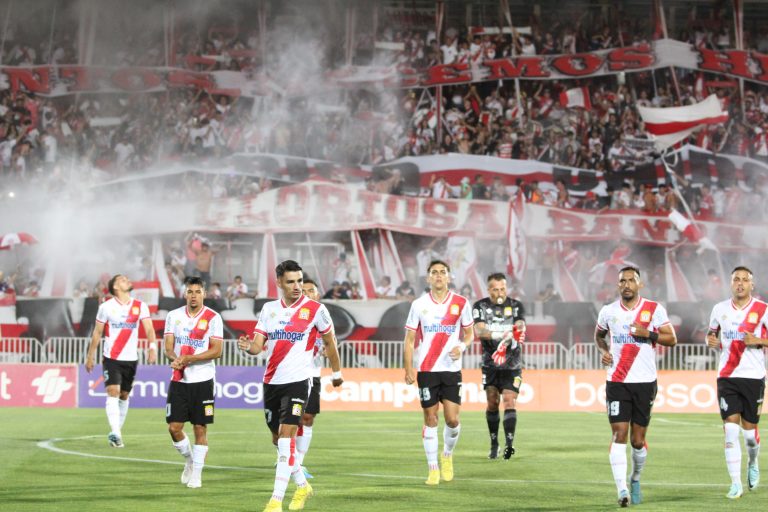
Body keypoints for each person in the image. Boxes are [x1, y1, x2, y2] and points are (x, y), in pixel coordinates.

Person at [238, 260, 343, 512]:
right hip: (271, 381)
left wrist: (337, 371)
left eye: (299, 281)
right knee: (277, 438)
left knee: (287, 437)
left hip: (299, 380)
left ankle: (275, 500)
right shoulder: (268, 310)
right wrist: (248, 347)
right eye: (291, 282)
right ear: (280, 283)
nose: (297, 286)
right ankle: (302, 485)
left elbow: (330, 342)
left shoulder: (316, 310)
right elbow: (257, 345)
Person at [594, 266, 677, 507]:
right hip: (617, 381)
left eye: (631, 280)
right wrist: (604, 351)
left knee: (637, 441)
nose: (627, 284)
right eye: (623, 281)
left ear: (640, 284)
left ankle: (635, 478)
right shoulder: (608, 311)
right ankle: (622, 491)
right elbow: (599, 336)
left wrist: (648, 334)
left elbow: (672, 339)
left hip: (644, 382)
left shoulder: (653, 309)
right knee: (619, 434)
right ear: (618, 285)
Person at [403, 259, 474, 486]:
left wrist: (461, 347)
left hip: (451, 371)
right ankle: (433, 468)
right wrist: (408, 368)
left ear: (449, 277)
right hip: (427, 370)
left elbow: (470, 333)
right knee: (430, 418)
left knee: (452, 420)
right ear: (428, 278)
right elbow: (410, 339)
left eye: (443, 272)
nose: (439, 276)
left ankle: (447, 455)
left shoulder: (461, 303)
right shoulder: (419, 304)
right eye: (434, 272)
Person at [706, 266, 766, 499]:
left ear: (752, 284)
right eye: (736, 279)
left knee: (749, 435)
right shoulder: (719, 309)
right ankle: (735, 483)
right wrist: (710, 340)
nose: (740, 283)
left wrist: (759, 339)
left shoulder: (763, 309)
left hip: (753, 377)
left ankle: (753, 462)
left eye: (745, 280)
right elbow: (711, 333)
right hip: (727, 377)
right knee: (730, 430)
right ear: (731, 283)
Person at [164, 276, 223, 489]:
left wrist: (190, 358)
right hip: (179, 379)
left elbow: (217, 350)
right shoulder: (174, 316)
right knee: (174, 428)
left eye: (198, 291)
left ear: (204, 294)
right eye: (190, 292)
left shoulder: (213, 317)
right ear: (185, 294)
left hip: (203, 380)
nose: (194, 295)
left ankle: (197, 474)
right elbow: (169, 347)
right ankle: (190, 460)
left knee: (200, 428)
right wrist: (175, 359)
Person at [86, 274, 158, 448]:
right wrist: (90, 356)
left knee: (124, 395)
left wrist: (152, 347)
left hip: (131, 358)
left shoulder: (140, 306)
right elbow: (97, 332)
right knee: (113, 391)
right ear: (116, 287)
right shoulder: (106, 307)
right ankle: (115, 433)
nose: (127, 280)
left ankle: (117, 433)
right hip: (111, 357)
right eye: (122, 279)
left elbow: (149, 328)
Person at [472, 273, 526, 460]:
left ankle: (509, 446)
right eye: (495, 289)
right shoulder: (480, 306)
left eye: (502, 288)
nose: (499, 292)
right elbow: (480, 330)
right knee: (492, 402)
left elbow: (520, 325)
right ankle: (494, 442)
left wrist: (515, 332)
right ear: (489, 290)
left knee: (510, 400)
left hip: (513, 364)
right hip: (490, 364)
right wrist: (503, 334)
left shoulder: (516, 305)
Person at [293, 278, 335, 480]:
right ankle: (287, 457)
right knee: (292, 419)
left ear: (318, 295)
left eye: (312, 291)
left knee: (308, 418)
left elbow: (331, 341)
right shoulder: (294, 315)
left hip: (314, 374)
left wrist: (330, 351)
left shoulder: (322, 315)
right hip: (293, 375)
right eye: (305, 290)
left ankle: (299, 463)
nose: (308, 293)